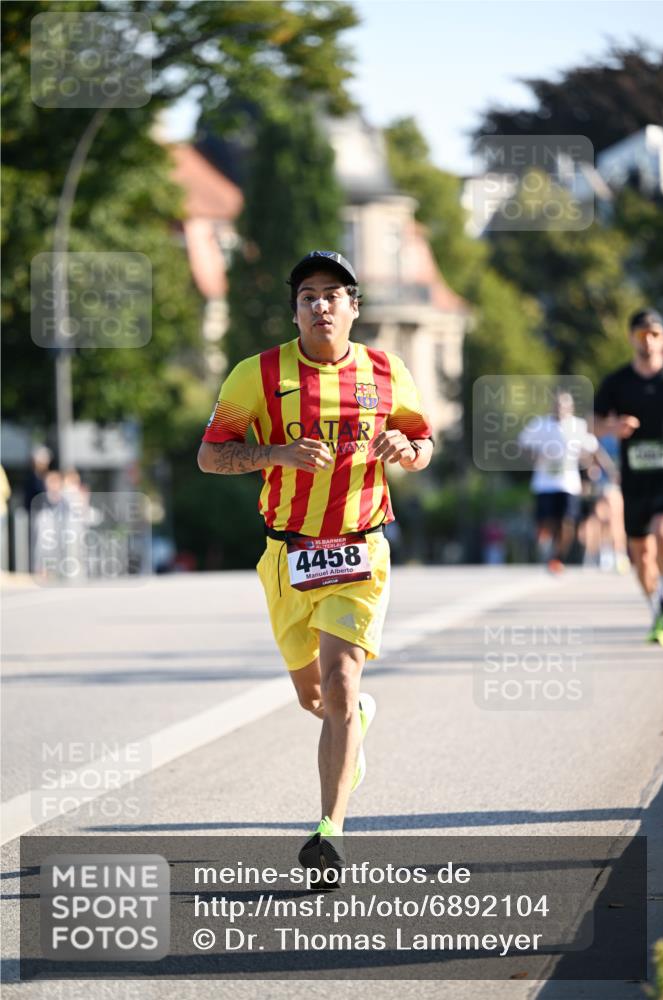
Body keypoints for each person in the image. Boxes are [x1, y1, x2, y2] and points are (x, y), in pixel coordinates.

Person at [198, 250, 433, 876]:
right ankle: (352, 725)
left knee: (339, 684)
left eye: (333, 294)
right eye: (308, 296)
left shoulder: (387, 371)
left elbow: (423, 440)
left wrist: (407, 447)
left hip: (360, 546)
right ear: (295, 309)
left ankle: (329, 830)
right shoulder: (259, 373)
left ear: (354, 307)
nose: (320, 305)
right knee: (316, 699)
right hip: (287, 553)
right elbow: (210, 454)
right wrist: (277, 453)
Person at [594, 308, 663, 646]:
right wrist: (614, 428)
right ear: (631, 338)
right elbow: (593, 425)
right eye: (642, 335)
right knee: (642, 556)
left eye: (654, 334)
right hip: (635, 479)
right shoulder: (616, 382)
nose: (648, 341)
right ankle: (658, 608)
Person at [518, 390, 599, 573]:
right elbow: (522, 443)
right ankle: (545, 544)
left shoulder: (578, 426)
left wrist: (588, 465)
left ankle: (557, 557)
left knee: (567, 522)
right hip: (544, 482)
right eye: (557, 405)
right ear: (552, 406)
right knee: (546, 521)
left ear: (571, 408)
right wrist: (533, 457)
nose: (560, 409)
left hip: (568, 482)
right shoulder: (539, 425)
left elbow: (591, 448)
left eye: (564, 405)